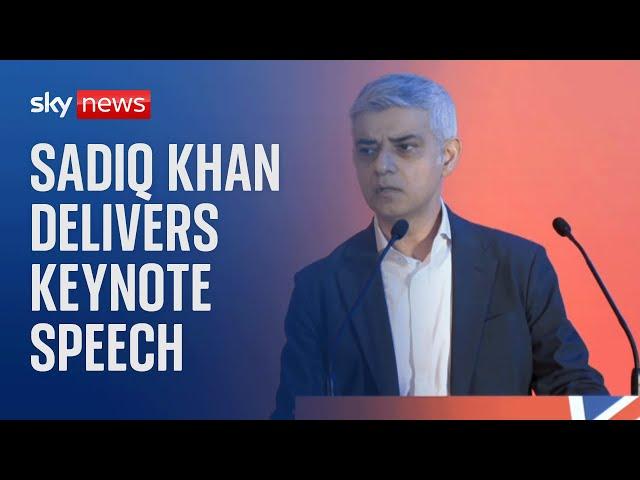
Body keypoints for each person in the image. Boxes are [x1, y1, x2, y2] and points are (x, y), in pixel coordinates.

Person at [272, 73, 607, 419]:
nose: (382, 166)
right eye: (367, 150)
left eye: (405, 147)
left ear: (447, 156)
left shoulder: (519, 266)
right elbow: (294, 412)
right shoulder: (320, 288)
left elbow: (573, 384)